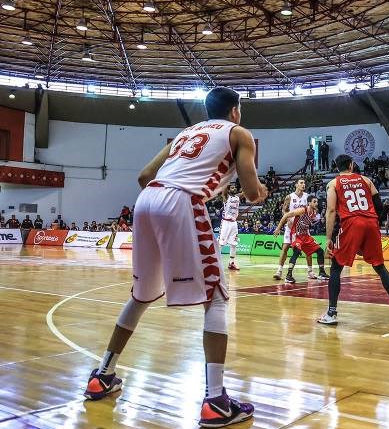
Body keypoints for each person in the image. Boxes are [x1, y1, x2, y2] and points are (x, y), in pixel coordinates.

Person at [83, 86, 267, 427]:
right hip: (180, 201)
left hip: (147, 200)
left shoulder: (186, 133)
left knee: (141, 295)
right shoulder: (240, 133)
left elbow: (143, 176)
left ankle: (102, 375)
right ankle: (216, 401)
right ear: (235, 111)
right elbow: (253, 192)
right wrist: (260, 191)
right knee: (216, 297)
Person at [318, 154, 389, 325]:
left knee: (336, 268)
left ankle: (331, 313)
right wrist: (372, 222)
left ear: (337, 168)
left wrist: (329, 238)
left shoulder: (334, 183)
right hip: (371, 222)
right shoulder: (366, 180)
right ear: (351, 165)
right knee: (380, 267)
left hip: (352, 223)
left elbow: (330, 210)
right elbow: (380, 206)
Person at [274, 195, 329, 282]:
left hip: (305, 235)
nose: (316, 203)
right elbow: (286, 215)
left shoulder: (314, 213)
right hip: (296, 234)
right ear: (309, 203)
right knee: (296, 252)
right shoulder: (302, 210)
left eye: (317, 202)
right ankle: (288, 276)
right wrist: (278, 228)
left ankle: (322, 273)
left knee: (320, 251)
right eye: (314, 202)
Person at [273, 179, 312, 281]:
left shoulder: (307, 196)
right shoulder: (289, 197)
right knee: (285, 247)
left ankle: (310, 271)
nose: (303, 184)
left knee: (308, 248)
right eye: (301, 183)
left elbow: (310, 209)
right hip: (291, 227)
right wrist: (288, 219)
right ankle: (279, 271)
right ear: (296, 185)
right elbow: (284, 210)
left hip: (303, 227)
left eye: (304, 183)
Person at [219, 184, 243, 271]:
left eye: (235, 187)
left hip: (234, 223)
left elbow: (245, 192)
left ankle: (231, 263)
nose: (235, 188)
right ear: (228, 190)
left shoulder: (238, 197)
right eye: (232, 187)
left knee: (234, 244)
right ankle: (216, 262)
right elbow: (224, 188)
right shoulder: (226, 197)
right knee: (221, 243)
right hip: (226, 223)